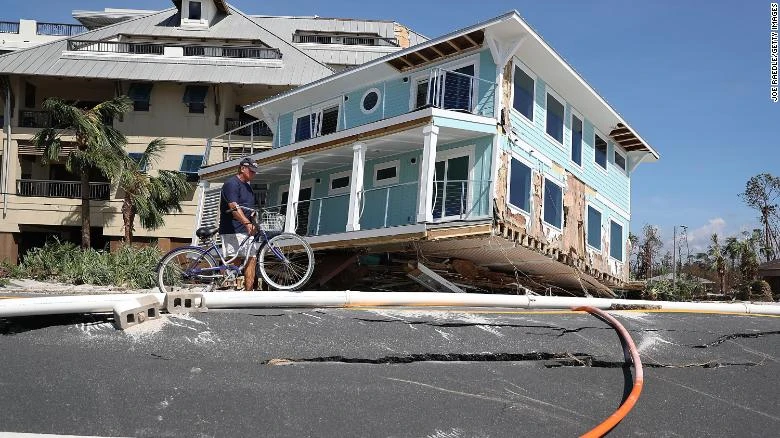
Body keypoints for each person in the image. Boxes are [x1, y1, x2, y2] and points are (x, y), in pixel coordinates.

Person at [219, 157, 260, 291]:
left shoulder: (248, 187)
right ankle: (226, 288)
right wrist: (247, 223)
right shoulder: (231, 184)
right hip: (232, 229)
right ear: (242, 168)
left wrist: (253, 221)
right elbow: (234, 207)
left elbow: (249, 208)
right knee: (233, 260)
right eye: (251, 171)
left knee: (252, 258)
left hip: (246, 230)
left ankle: (248, 292)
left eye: (255, 172)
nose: (253, 174)